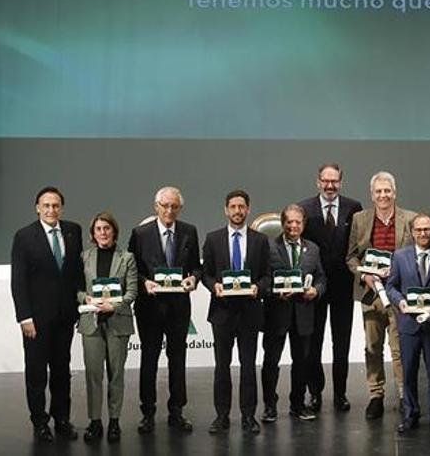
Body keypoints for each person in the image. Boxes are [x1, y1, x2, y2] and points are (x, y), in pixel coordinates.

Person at [10, 186, 85, 443]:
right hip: (36, 322)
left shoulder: (74, 231)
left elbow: (76, 273)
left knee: (62, 371)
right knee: (36, 373)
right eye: (46, 205)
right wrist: (24, 317)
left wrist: (81, 306)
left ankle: (62, 418)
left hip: (66, 317)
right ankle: (40, 421)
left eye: (55, 206)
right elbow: (18, 281)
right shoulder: (24, 236)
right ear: (37, 208)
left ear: (61, 208)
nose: (51, 210)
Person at [126, 186, 201, 434]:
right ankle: (147, 412)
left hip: (179, 307)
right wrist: (144, 282)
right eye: (165, 205)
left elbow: (195, 267)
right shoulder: (140, 233)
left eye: (174, 206)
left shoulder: (189, 231)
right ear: (155, 206)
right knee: (149, 360)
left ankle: (176, 411)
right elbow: (132, 268)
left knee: (178, 360)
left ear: (180, 208)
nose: (169, 210)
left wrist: (194, 280)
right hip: (150, 307)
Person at [346, 171, 417, 419]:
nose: (383, 195)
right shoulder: (360, 219)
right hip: (370, 293)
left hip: (399, 293)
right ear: (372, 194)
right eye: (378, 191)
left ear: (394, 193)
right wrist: (363, 274)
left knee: (399, 348)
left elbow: (416, 255)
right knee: (372, 347)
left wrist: (398, 271)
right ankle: (376, 395)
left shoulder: (411, 219)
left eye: (387, 191)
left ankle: (403, 394)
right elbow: (351, 256)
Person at [201, 189, 272, 435]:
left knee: (248, 365)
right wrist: (214, 286)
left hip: (250, 312)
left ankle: (248, 416)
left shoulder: (260, 240)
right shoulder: (213, 239)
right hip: (222, 312)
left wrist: (258, 288)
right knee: (222, 365)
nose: (238, 211)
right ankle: (221, 416)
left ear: (248, 209)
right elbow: (206, 274)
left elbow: (267, 276)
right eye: (233, 206)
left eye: (242, 206)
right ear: (226, 210)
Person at [299, 163, 363, 412]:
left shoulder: (353, 208)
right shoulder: (305, 208)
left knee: (342, 343)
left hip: (343, 287)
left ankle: (340, 393)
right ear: (318, 182)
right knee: (313, 343)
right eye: (325, 180)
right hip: (314, 288)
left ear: (341, 182)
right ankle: (315, 392)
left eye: (334, 181)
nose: (329, 185)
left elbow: (355, 246)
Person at [261, 204, 326, 422]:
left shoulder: (313, 249)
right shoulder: (269, 247)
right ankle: (269, 406)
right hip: (276, 314)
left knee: (301, 363)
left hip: (304, 315)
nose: (293, 226)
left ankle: (297, 405)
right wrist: (274, 292)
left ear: (303, 224)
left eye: (297, 222)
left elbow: (321, 278)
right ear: (283, 224)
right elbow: (264, 280)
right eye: (289, 222)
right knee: (271, 362)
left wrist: (315, 290)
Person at [77, 212, 138, 443]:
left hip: (118, 322)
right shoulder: (84, 257)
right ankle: (95, 422)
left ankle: (114, 421)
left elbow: (132, 291)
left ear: (114, 231)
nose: (103, 232)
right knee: (93, 375)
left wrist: (114, 305)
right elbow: (78, 290)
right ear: (93, 233)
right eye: (99, 229)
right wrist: (87, 300)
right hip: (91, 323)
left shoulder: (127, 258)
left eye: (107, 228)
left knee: (116, 375)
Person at [384, 212, 430, 434]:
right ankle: (410, 414)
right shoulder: (400, 257)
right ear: (412, 232)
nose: (422, 233)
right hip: (408, 323)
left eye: (427, 229)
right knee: (408, 372)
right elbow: (390, 286)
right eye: (418, 229)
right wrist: (400, 303)